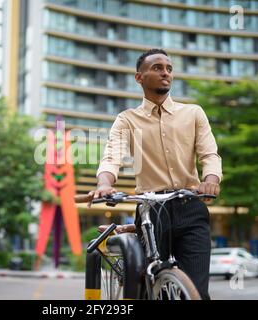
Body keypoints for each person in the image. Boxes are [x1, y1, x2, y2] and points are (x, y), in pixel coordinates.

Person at [87, 48, 222, 300]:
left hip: (190, 206)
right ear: (139, 77)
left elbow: (210, 155)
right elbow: (111, 156)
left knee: (196, 293)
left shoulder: (193, 113)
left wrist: (210, 180)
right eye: (158, 68)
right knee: (150, 285)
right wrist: (104, 184)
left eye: (169, 69)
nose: (166, 73)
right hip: (151, 211)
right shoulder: (127, 120)